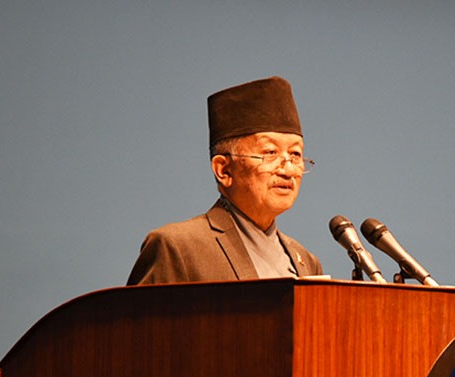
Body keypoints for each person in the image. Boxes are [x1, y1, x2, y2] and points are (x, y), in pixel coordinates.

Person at [127, 76, 323, 285]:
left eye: (295, 154)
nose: (288, 169)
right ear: (224, 170)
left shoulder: (306, 262)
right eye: (270, 152)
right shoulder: (178, 247)